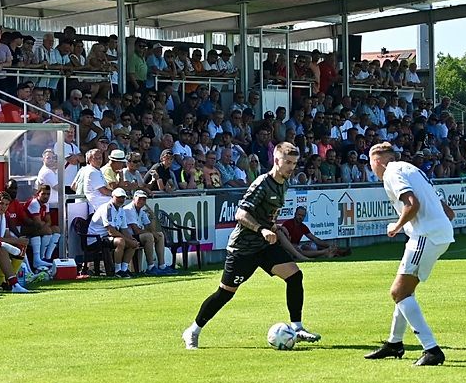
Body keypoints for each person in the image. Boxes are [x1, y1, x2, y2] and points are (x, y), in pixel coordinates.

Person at [182, 142, 320, 350]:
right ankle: (193, 330)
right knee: (226, 292)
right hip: (243, 248)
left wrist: (273, 226)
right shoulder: (262, 184)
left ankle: (297, 327)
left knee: (294, 276)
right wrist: (262, 229)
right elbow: (241, 214)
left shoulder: (284, 183)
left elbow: (265, 213)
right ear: (276, 160)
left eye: (294, 163)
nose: (292, 167)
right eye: (288, 162)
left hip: (264, 245)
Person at [364, 141, 455, 366]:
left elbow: (411, 204)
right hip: (435, 233)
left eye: (370, 163)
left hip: (425, 235)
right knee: (405, 292)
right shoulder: (412, 168)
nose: (371, 168)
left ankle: (431, 349)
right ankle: (395, 343)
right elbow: (447, 210)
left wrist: (396, 226)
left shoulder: (391, 172)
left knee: (398, 292)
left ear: (377, 161)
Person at [87, 188, 139, 278]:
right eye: (118, 197)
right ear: (112, 197)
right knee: (121, 241)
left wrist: (131, 239)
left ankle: (124, 269)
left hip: (106, 237)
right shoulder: (107, 208)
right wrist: (128, 240)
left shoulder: (121, 210)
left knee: (133, 243)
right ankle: (117, 270)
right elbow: (111, 231)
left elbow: (124, 229)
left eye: (123, 198)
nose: (121, 200)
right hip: (96, 239)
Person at [123, 190, 172, 275]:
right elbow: (136, 230)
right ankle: (150, 267)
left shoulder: (141, 211)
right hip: (129, 236)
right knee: (149, 236)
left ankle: (162, 265)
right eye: (140, 199)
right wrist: (152, 233)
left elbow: (150, 228)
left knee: (160, 235)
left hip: (138, 235)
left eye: (144, 199)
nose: (142, 201)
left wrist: (152, 217)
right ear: (134, 198)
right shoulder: (129, 209)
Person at [278, 207, 350, 260]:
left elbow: (315, 239)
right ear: (295, 214)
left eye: (303, 216)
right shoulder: (288, 224)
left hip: (297, 246)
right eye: (299, 215)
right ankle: (326, 252)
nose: (300, 217)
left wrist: (329, 245)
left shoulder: (303, 227)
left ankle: (333, 250)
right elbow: (284, 241)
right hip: (287, 248)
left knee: (310, 246)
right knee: (299, 250)